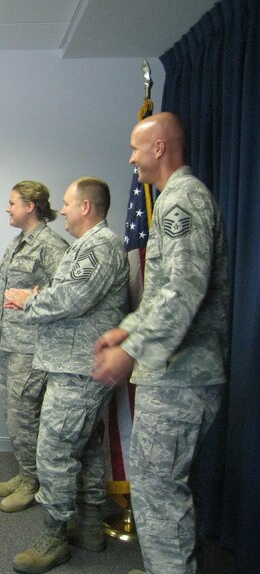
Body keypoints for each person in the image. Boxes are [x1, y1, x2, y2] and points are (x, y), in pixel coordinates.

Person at [93, 112, 230, 574]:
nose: (131, 158)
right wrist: (128, 328)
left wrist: (128, 351)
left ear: (159, 148)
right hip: (174, 372)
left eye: (136, 148)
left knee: (157, 489)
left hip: (180, 377)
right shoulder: (175, 199)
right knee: (161, 488)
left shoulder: (181, 202)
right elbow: (169, 287)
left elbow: (182, 290)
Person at [4, 177, 128, 573]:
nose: (64, 210)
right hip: (75, 364)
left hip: (79, 369)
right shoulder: (86, 247)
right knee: (85, 447)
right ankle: (89, 525)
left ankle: (54, 537)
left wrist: (29, 300)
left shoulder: (100, 246)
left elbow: (71, 299)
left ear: (87, 207)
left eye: (69, 204)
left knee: (54, 450)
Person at [0, 181, 68, 512]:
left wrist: (33, 300)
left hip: (32, 347)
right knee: (15, 414)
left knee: (24, 414)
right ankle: (25, 472)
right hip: (11, 343)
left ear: (30, 206)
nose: (8, 208)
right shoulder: (19, 242)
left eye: (12, 203)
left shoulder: (50, 245)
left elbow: (65, 294)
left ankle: (32, 481)